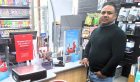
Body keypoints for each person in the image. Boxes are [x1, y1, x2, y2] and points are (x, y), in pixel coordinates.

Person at [81, 2, 127, 82]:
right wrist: (85, 57)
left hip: (103, 77)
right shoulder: (96, 30)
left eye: (109, 13)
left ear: (115, 16)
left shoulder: (119, 33)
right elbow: (89, 45)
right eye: (103, 12)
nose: (105, 15)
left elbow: (117, 57)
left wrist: (104, 72)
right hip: (91, 72)